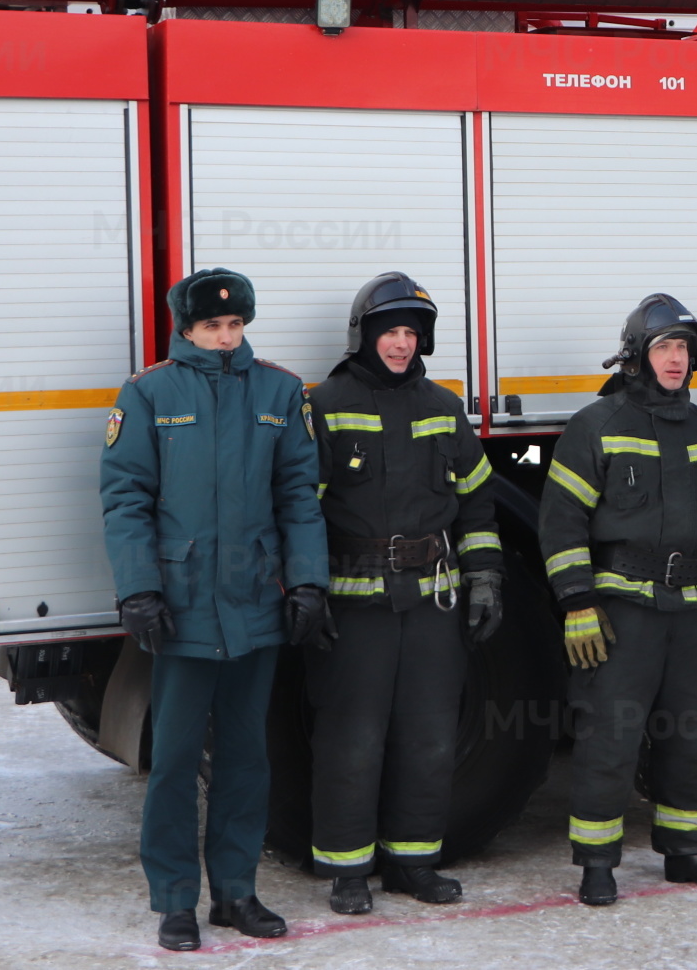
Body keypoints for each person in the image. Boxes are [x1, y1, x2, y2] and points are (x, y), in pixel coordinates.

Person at [100, 268, 332, 952]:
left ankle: (235, 890)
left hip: (256, 604)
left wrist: (309, 583)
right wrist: (139, 588)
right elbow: (126, 497)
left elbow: (299, 494)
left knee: (245, 756)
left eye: (235, 325)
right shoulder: (148, 393)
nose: (226, 337)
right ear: (187, 328)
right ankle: (175, 899)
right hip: (183, 609)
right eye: (212, 326)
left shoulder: (281, 391)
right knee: (172, 760)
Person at [538, 294, 697, 906]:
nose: (676, 359)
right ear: (637, 356)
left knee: (694, 734)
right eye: (664, 347)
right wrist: (578, 602)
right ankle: (597, 863)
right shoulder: (597, 426)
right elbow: (561, 523)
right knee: (610, 736)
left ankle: (689, 851)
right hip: (623, 613)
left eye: (684, 349)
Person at [304, 272, 504, 914]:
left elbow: (476, 502)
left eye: (411, 333)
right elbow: (300, 509)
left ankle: (414, 864)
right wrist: (308, 591)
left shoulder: (443, 406)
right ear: (364, 335)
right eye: (389, 331)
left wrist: (486, 580)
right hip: (356, 608)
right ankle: (346, 870)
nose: (400, 344)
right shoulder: (326, 403)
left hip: (432, 607)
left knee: (429, 737)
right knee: (352, 738)